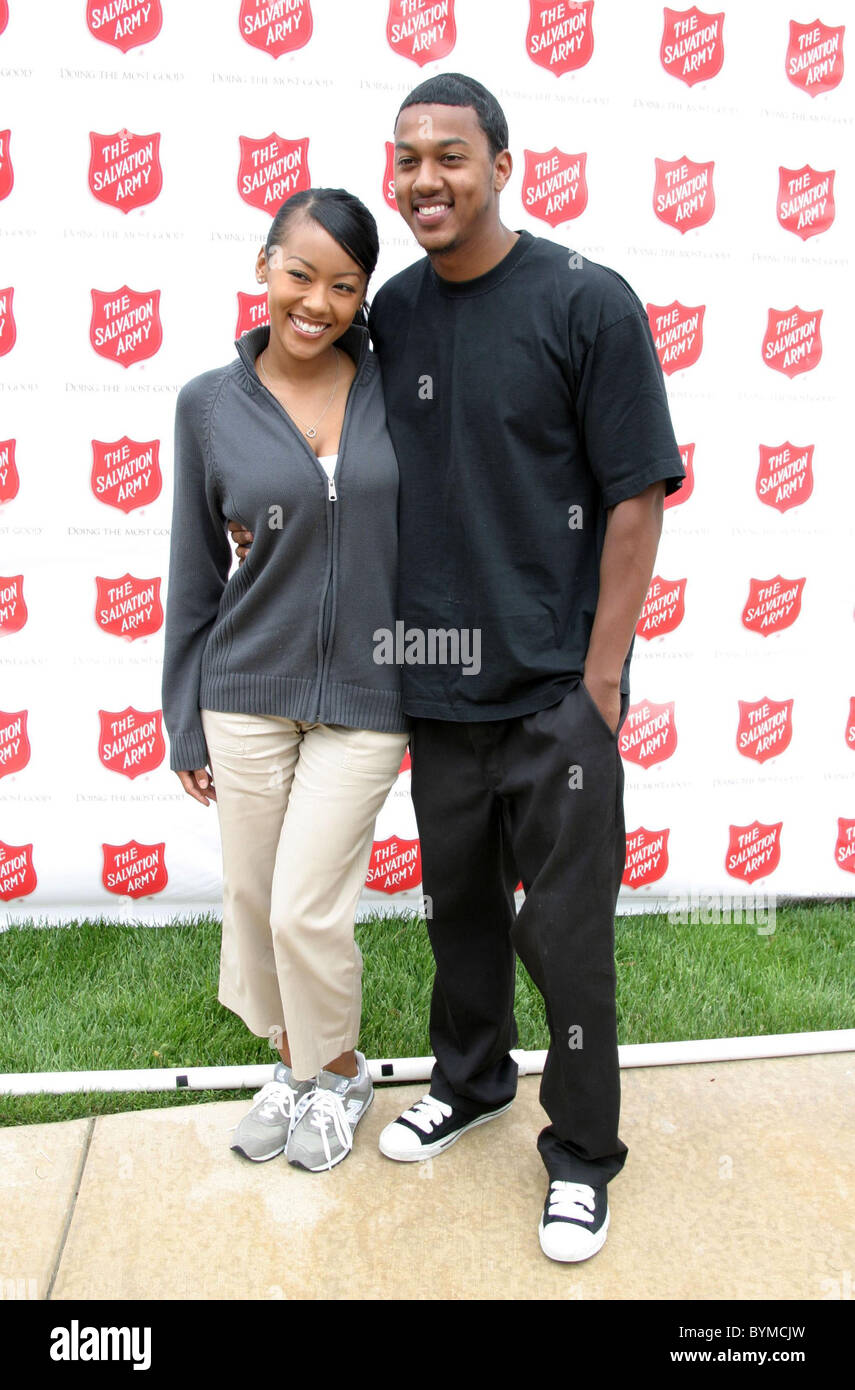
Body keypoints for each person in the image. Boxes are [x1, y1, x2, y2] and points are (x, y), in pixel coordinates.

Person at [227, 73, 685, 1260]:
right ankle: (471, 1079)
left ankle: (582, 1149)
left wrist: (600, 681)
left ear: (501, 164)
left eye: (452, 156)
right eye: (408, 159)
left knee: (570, 943)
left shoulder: (588, 303)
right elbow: (304, 367)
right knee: (462, 918)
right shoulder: (399, 318)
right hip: (433, 687)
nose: (426, 179)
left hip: (552, 698)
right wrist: (253, 477)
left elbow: (636, 495)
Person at [161, 187, 410, 1173]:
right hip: (244, 692)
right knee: (258, 900)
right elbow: (193, 568)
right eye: (299, 273)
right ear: (263, 264)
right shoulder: (208, 405)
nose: (317, 302)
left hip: (369, 698)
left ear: (363, 296)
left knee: (309, 905)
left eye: (344, 286)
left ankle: (340, 1068)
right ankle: (294, 1071)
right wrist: (185, 719)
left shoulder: (400, 389)